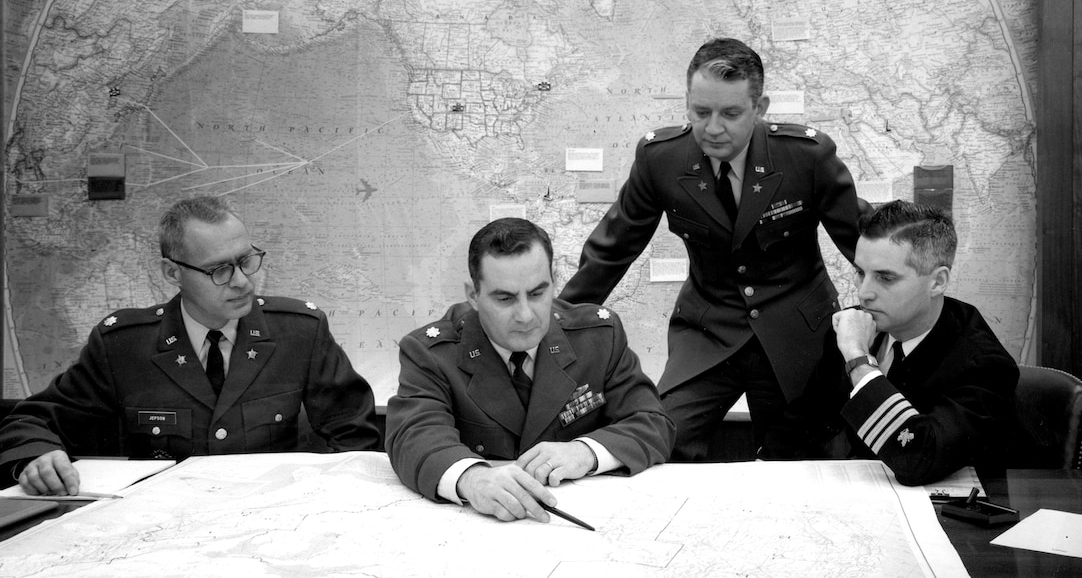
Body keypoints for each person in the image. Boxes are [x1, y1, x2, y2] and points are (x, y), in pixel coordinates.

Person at [560, 37, 864, 460]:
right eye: (701, 112)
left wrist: (901, 306)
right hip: (708, 331)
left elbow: (864, 241)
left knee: (803, 458)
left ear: (760, 108)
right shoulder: (661, 159)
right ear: (687, 102)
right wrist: (555, 326)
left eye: (731, 113)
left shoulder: (806, 157)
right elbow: (612, 251)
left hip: (797, 334)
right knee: (662, 439)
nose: (713, 127)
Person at [0, 196, 381, 495]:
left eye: (246, 261)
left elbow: (354, 437)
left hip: (272, 521)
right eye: (219, 270)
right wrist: (38, 456)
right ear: (172, 273)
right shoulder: (123, 346)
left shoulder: (299, 331)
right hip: (158, 532)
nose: (243, 282)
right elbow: (31, 421)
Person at [386, 218, 674, 523]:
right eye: (505, 298)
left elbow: (652, 423)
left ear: (553, 281)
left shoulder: (599, 337)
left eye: (537, 294)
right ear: (473, 295)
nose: (525, 315)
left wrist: (584, 452)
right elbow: (413, 435)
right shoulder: (432, 353)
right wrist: (471, 478)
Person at [830, 200, 1018, 485]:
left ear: (938, 282)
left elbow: (918, 457)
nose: (864, 293)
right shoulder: (861, 323)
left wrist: (859, 360)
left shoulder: (985, 364)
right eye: (860, 273)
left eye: (885, 278)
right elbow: (806, 418)